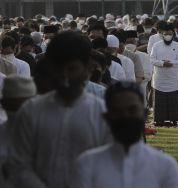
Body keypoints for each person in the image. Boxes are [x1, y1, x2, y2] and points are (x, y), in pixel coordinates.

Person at [9, 32, 110, 188]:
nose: (64, 76)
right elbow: (18, 164)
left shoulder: (101, 114)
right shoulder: (31, 111)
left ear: (86, 69)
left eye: (72, 69)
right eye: (59, 69)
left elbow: (109, 166)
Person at [70, 82, 178, 188]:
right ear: (107, 117)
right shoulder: (88, 164)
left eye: (132, 110)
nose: (125, 117)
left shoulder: (165, 166)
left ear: (145, 115)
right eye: (117, 111)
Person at [0, 75, 37, 188]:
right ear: (4, 104)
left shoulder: (45, 134)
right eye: (14, 107)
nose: (20, 112)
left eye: (25, 107)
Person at [150, 23, 178, 126]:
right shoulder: (156, 46)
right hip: (160, 78)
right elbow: (152, 59)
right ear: (162, 35)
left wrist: (171, 64)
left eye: (170, 34)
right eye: (166, 34)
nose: (168, 36)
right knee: (160, 100)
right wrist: (162, 63)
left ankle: (174, 120)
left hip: (173, 78)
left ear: (173, 35)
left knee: (173, 100)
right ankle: (159, 120)